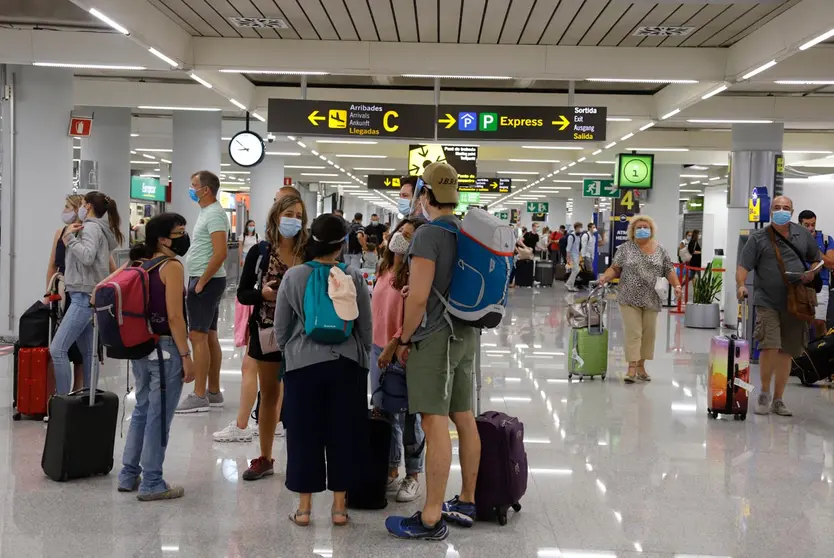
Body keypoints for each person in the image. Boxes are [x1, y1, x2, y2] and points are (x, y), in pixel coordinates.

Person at [385, 162, 480, 542]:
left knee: (434, 422)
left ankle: (429, 518)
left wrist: (404, 338)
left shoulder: (427, 235)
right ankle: (468, 500)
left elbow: (420, 296)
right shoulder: (468, 233)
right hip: (465, 337)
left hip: (435, 340)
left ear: (425, 196)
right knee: (464, 417)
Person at [274, 213, 372, 527]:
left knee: (304, 434)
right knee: (344, 432)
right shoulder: (353, 276)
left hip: (303, 365)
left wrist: (291, 355)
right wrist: (361, 358)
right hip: (347, 365)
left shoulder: (294, 276)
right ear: (341, 244)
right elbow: (365, 327)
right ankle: (340, 508)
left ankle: (303, 510)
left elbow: (281, 328)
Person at [216, 195, 307, 482]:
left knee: (301, 397)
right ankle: (265, 457)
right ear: (276, 216)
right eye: (288, 213)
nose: (293, 219)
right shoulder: (260, 252)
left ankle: (303, 460)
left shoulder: (309, 252)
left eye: (298, 215)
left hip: (304, 335)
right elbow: (243, 293)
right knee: (269, 395)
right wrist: (262, 295)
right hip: (267, 331)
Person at [117, 213, 194, 501]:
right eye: (179, 233)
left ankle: (128, 474)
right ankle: (151, 481)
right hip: (165, 349)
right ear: (162, 239)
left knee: (142, 409)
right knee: (159, 416)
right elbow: (175, 316)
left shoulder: (140, 262)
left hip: (141, 345)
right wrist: (186, 355)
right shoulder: (171, 266)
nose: (184, 237)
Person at [738, 196, 821, 416]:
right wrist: (740, 285)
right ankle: (764, 392)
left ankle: (778, 399)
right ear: (770, 211)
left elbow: (816, 258)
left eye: (785, 208)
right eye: (777, 208)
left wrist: (812, 272)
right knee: (769, 345)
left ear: (792, 211)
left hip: (796, 301)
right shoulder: (758, 238)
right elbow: (743, 266)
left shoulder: (802, 235)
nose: (781, 211)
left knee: (786, 352)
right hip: (767, 300)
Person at [371, 218, 426, 504]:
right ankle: (391, 468)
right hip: (376, 347)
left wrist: (395, 343)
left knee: (408, 415)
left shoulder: (414, 274)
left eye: (408, 237)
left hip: (400, 350)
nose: (400, 240)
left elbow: (413, 315)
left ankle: (413, 475)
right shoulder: (383, 268)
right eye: (400, 233)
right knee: (384, 411)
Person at [50, 191, 123, 395]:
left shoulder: (90, 228)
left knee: (58, 349)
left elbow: (88, 257)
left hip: (83, 297)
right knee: (89, 353)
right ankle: (87, 400)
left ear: (88, 206)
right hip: (86, 295)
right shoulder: (98, 228)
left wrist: (69, 239)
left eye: (82, 203)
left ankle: (62, 401)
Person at [598, 215, 682, 383]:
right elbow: (615, 268)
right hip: (629, 296)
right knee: (633, 332)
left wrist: (677, 285)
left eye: (646, 227)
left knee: (649, 333)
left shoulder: (660, 249)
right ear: (633, 231)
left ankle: (641, 366)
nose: (643, 229)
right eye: (639, 227)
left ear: (651, 230)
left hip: (652, 298)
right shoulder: (625, 248)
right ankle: (631, 368)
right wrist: (604, 278)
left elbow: (669, 270)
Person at [176, 171, 230, 414]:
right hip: (205, 279)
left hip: (205, 281)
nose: (191, 189)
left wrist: (201, 283)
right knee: (208, 335)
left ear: (205, 189)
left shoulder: (216, 214)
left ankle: (199, 395)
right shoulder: (208, 213)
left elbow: (220, 253)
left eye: (194, 185)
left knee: (197, 336)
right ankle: (213, 391)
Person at [45, 194, 87, 391]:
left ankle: (77, 394)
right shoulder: (60, 232)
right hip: (61, 295)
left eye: (68, 207)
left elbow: (108, 266)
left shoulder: (89, 233)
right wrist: (48, 293)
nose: (65, 211)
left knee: (79, 352)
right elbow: (53, 264)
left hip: (80, 294)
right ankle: (61, 397)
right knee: (60, 347)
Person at [797, 210, 834, 338]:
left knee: (819, 321)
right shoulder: (794, 240)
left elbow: (831, 263)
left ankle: (821, 349)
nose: (811, 228)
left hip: (820, 284)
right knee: (800, 322)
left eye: (813, 224)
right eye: (807, 225)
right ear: (800, 224)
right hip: (799, 284)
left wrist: (814, 250)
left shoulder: (825, 239)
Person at [565, 222, 584, 292]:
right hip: (572, 256)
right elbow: (568, 248)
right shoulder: (571, 236)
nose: (581, 229)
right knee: (576, 270)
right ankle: (569, 284)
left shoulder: (578, 236)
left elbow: (577, 247)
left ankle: (570, 285)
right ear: (576, 228)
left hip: (577, 256)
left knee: (575, 270)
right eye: (580, 227)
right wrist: (568, 258)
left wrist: (580, 255)